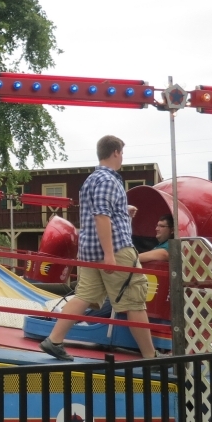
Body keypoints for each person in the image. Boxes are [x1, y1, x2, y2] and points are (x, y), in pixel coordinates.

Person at [41, 135, 157, 360]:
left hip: (89, 251)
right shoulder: (109, 180)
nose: (122, 157)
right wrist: (110, 255)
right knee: (134, 299)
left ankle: (54, 340)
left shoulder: (91, 180)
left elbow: (102, 211)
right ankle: (150, 356)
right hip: (114, 250)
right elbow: (102, 217)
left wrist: (125, 208)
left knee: (84, 296)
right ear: (115, 152)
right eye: (122, 153)